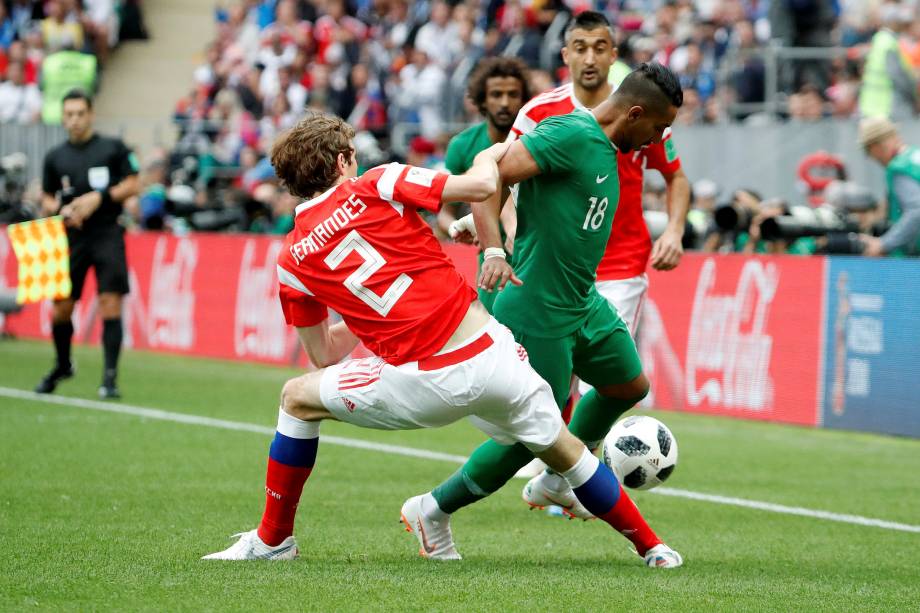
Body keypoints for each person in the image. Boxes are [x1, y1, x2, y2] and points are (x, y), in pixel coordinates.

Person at [202, 113, 681, 568]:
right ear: (343, 161)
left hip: (422, 387)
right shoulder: (380, 182)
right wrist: (494, 154)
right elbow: (480, 187)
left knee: (296, 399)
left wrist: (365, 313)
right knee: (565, 449)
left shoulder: (290, 260)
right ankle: (654, 549)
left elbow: (323, 356)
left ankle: (272, 540)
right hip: (494, 357)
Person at [418, 63, 684, 559]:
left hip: (583, 301)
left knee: (629, 385)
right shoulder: (569, 132)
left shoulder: (606, 147)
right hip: (539, 306)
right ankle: (433, 509)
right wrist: (493, 248)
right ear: (634, 112)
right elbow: (489, 172)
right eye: (658, 126)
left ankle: (557, 480)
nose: (659, 137)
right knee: (533, 433)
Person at [35, 88, 140, 398]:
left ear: (91, 114)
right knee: (61, 309)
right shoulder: (55, 157)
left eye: (80, 113)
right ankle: (63, 363)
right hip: (72, 238)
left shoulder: (113, 148)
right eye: (69, 114)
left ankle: (109, 378)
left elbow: (134, 183)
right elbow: (45, 196)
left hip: (107, 232)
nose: (75, 120)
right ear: (63, 117)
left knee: (110, 303)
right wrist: (60, 209)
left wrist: (100, 197)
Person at [438, 56, 530, 313]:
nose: (504, 102)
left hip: (536, 258)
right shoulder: (462, 146)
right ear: (482, 99)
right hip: (492, 263)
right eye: (496, 94)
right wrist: (460, 230)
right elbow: (446, 214)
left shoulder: (536, 139)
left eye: (512, 94)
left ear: (524, 99)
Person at [858, 116, 920, 256]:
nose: (871, 157)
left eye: (868, 151)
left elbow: (917, 211)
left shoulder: (900, 167)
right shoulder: (915, 156)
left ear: (876, 146)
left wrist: (884, 244)